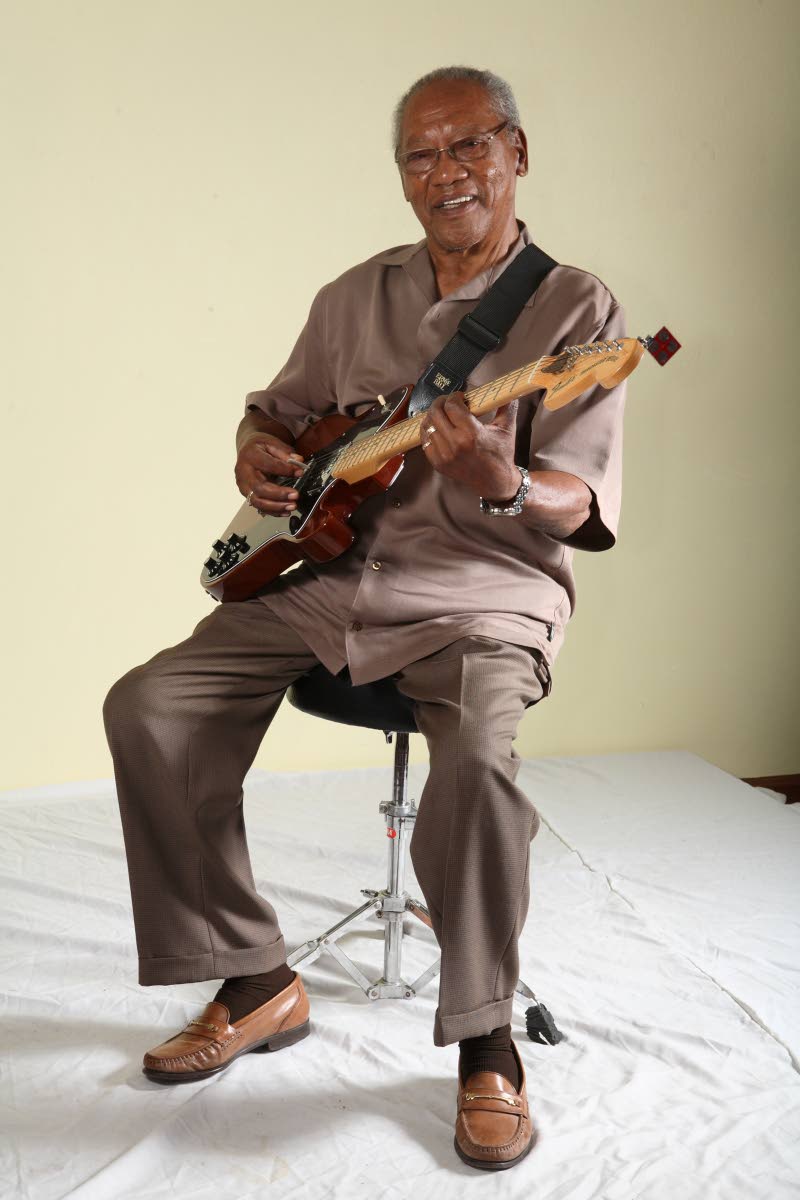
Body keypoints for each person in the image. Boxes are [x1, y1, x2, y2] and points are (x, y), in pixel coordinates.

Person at [103, 65, 627, 1171]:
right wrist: (255, 450)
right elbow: (274, 416)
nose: (446, 172)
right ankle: (255, 977)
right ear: (401, 176)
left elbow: (580, 502)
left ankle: (486, 1040)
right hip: (326, 579)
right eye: (420, 154)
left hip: (481, 592)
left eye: (469, 145)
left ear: (517, 153)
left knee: (475, 764)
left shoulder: (577, 312)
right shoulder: (353, 295)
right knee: (151, 706)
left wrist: (501, 482)